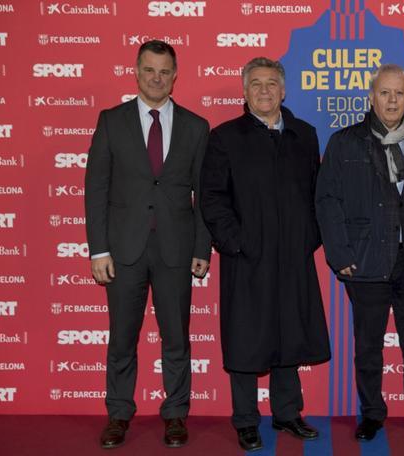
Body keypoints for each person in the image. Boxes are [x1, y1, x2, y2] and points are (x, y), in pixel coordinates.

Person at [200, 57, 331, 452]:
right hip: (247, 258)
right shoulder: (225, 137)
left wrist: (307, 237)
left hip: (293, 255)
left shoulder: (304, 135)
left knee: (289, 332)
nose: (263, 90)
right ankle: (245, 419)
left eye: (271, 83)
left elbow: (316, 195)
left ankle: (288, 412)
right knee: (246, 338)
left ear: (284, 90)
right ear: (244, 90)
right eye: (255, 83)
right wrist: (236, 243)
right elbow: (212, 197)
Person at [85, 40, 211, 449]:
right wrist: (98, 250)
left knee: (177, 338)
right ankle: (119, 413)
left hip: (176, 249)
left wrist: (201, 249)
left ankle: (176, 414)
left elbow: (204, 196)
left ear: (175, 76)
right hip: (123, 251)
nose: (156, 78)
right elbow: (96, 189)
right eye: (149, 70)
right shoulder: (111, 121)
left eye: (164, 71)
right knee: (122, 338)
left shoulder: (196, 126)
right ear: (135, 72)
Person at [316, 64, 404, 442]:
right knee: (368, 348)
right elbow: (326, 201)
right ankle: (372, 414)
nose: (391, 100)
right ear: (371, 97)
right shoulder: (344, 142)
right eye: (384, 93)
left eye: (398, 93)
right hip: (366, 261)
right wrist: (340, 255)